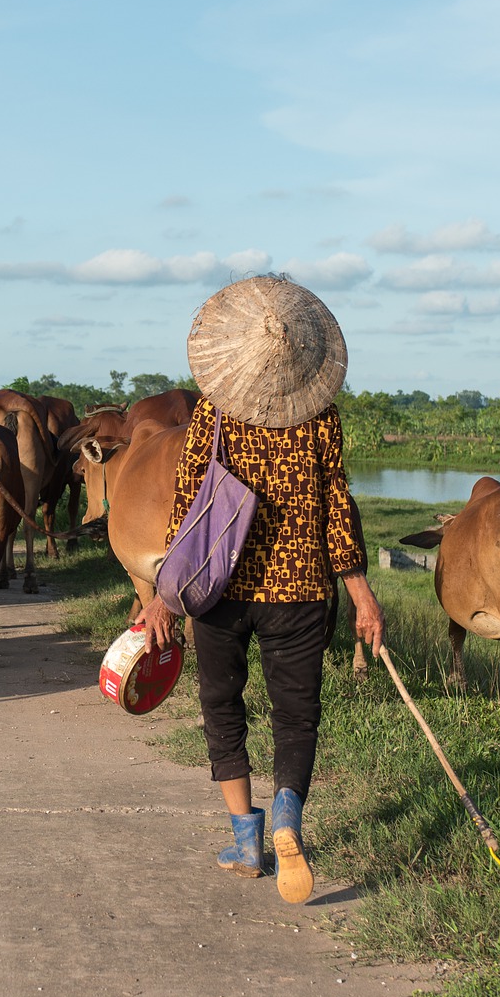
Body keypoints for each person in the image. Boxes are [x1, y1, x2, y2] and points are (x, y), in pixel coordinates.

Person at [138, 275, 385, 904]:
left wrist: (164, 593)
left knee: (223, 707)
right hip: (301, 591)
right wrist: (362, 595)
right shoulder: (321, 421)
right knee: (295, 715)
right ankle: (286, 819)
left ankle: (246, 836)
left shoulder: (214, 415)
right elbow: (338, 510)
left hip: (218, 590)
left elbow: (187, 508)